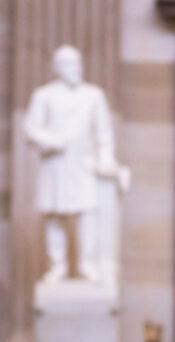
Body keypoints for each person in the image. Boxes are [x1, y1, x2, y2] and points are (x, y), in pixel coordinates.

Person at [24, 45, 127, 284]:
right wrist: (51, 140)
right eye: (69, 63)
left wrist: (106, 159)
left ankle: (86, 264)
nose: (75, 68)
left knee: (87, 214)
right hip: (55, 163)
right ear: (58, 67)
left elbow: (104, 132)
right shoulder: (44, 95)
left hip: (84, 164)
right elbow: (30, 128)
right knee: (54, 214)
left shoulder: (94, 95)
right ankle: (57, 266)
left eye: (78, 63)